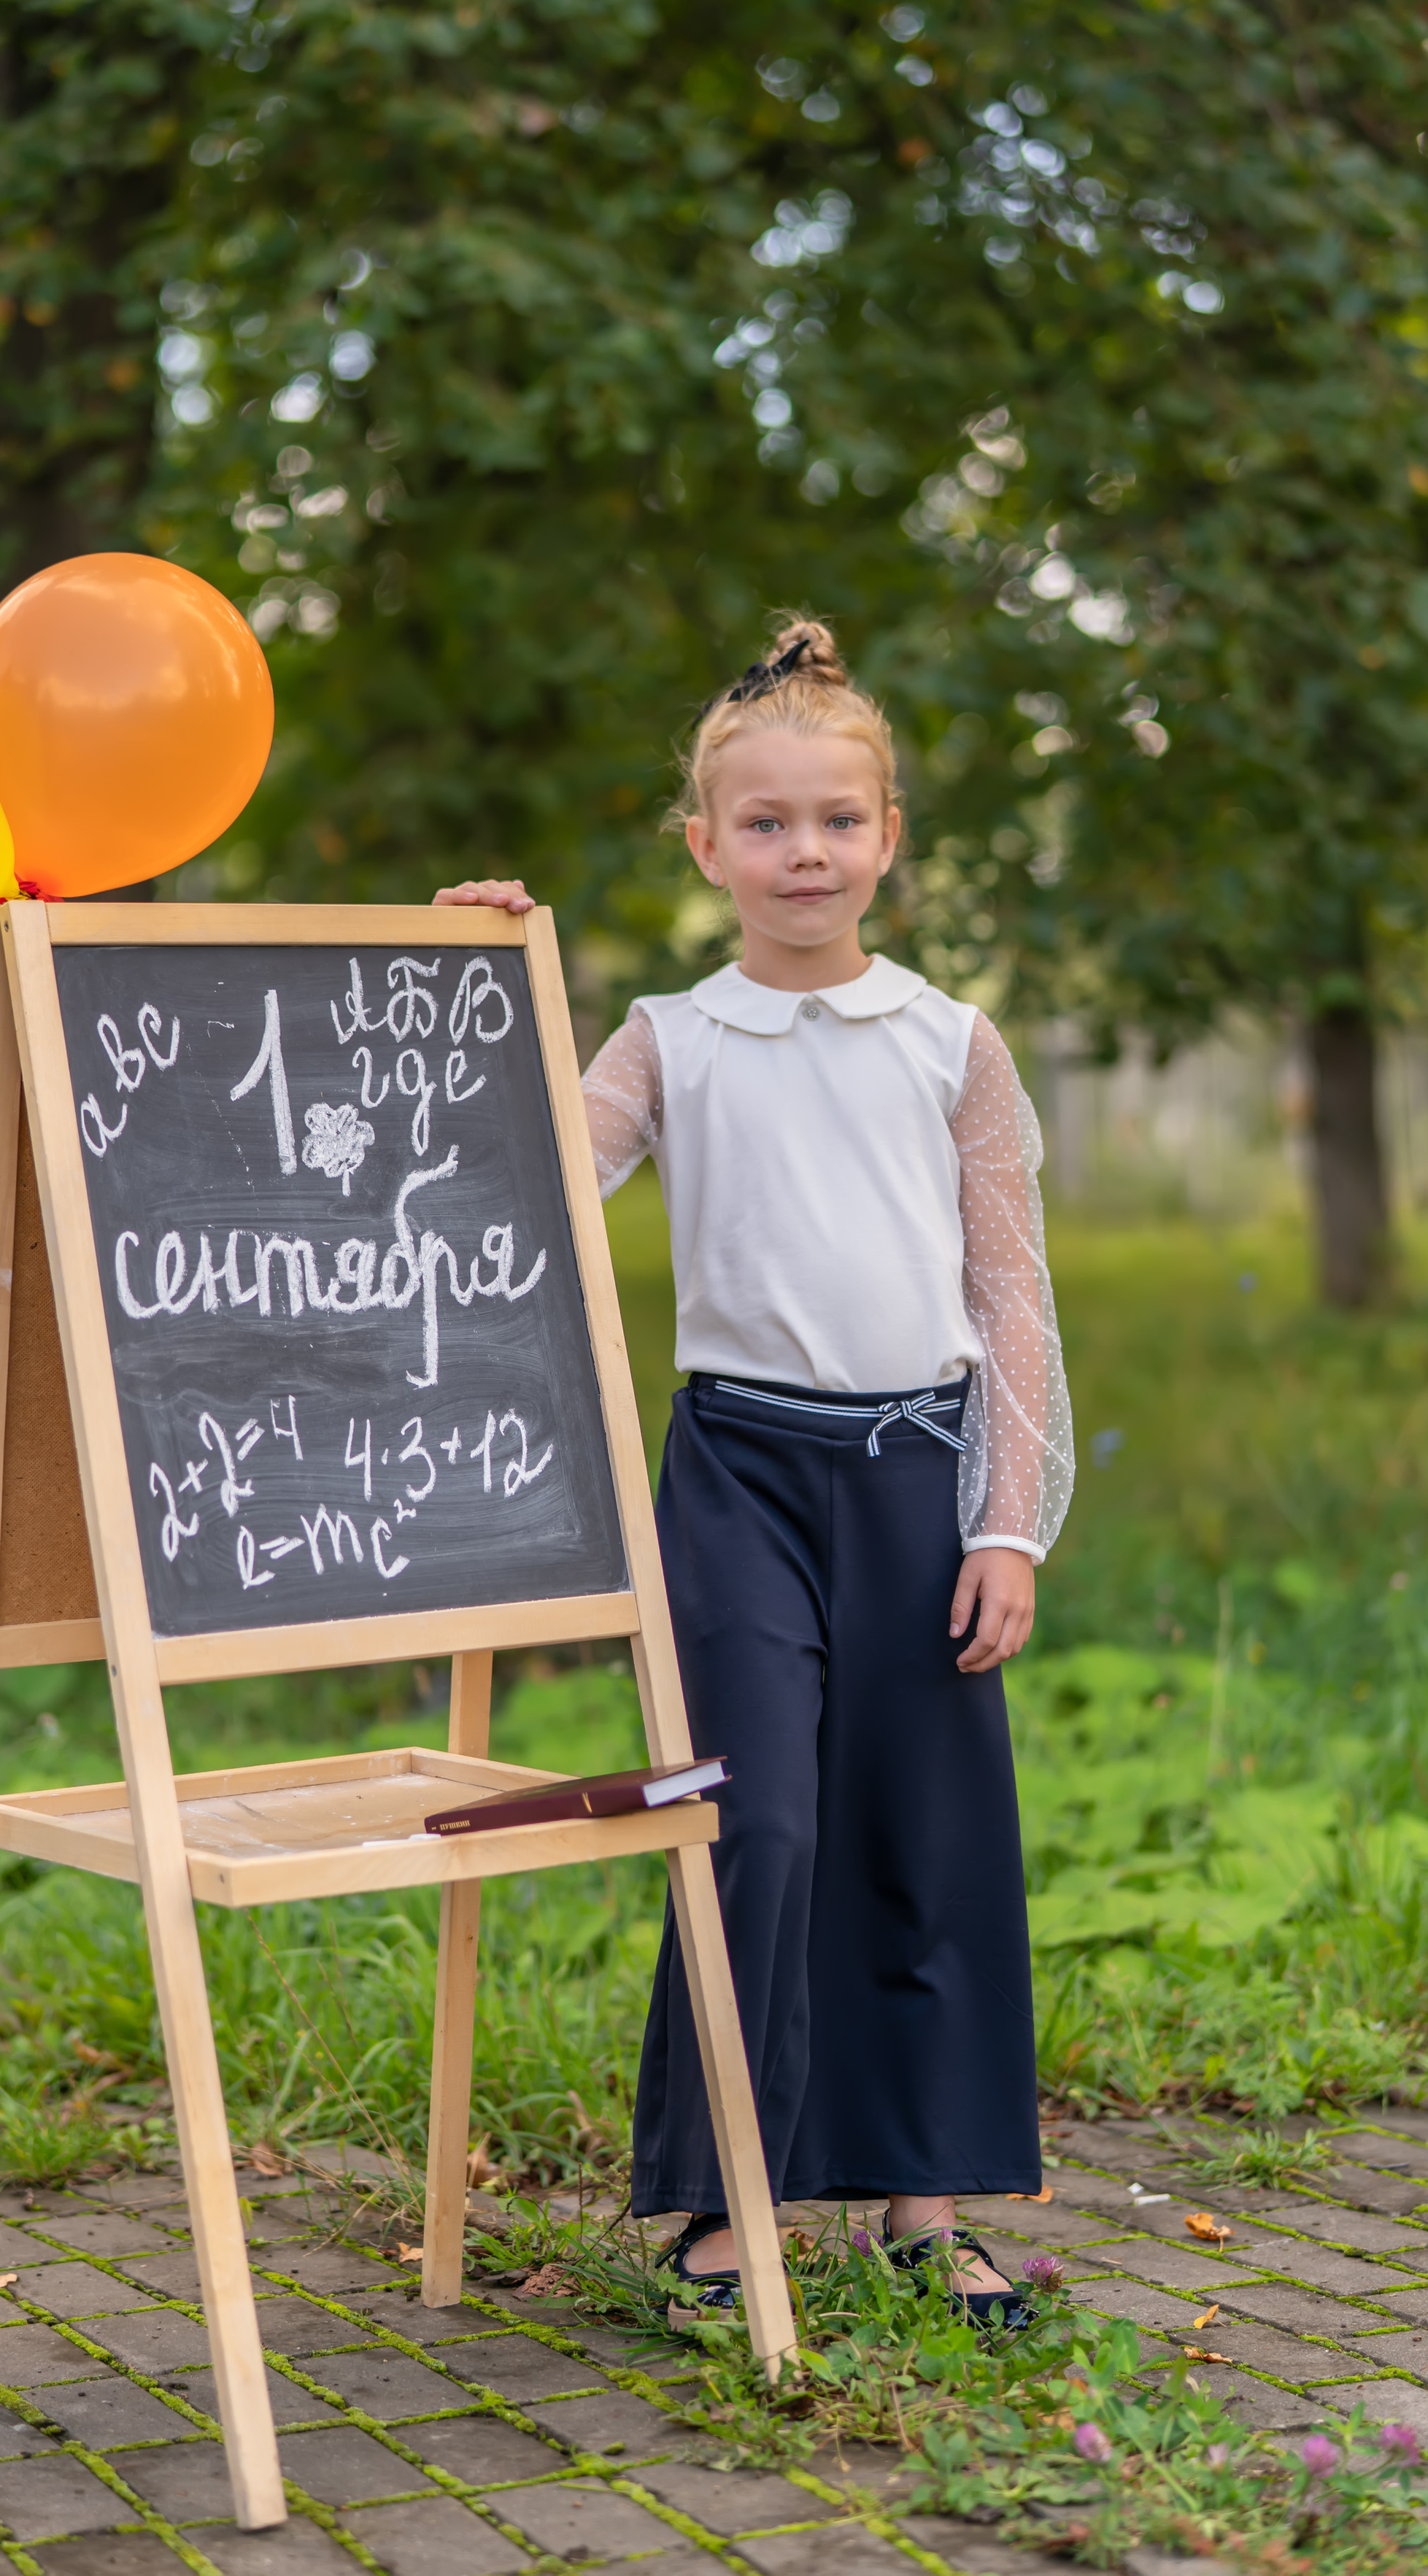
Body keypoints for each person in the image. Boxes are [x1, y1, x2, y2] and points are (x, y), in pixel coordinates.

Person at [436, 619, 1074, 2326]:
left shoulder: (949, 1039)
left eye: (837, 819)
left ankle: (924, 2204)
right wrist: (474, 987)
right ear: (703, 844)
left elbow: (1010, 1295)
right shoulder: (672, 1038)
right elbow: (526, 1176)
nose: (806, 852)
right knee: (753, 1818)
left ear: (888, 836)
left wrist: (1005, 1522)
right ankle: (728, 2195)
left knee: (922, 1832)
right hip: (736, 1475)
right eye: (766, 822)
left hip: (918, 1472)